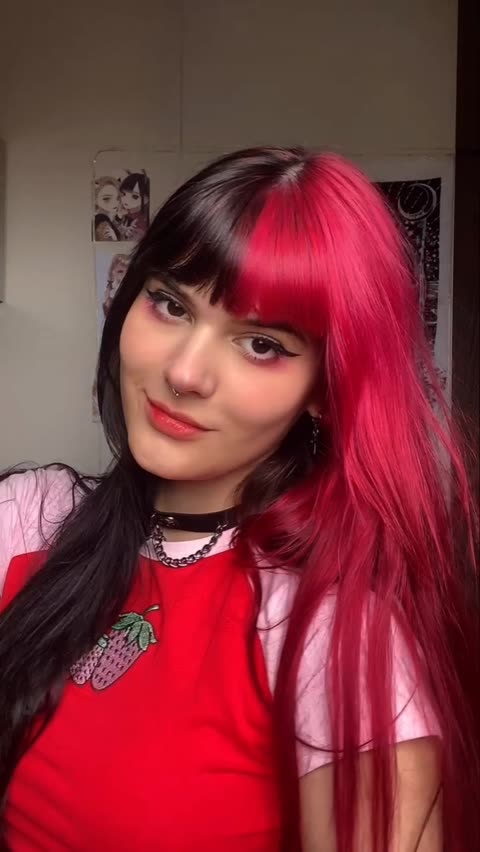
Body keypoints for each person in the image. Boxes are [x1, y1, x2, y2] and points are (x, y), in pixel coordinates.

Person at [0, 147, 477, 852]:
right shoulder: (30, 519)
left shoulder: (331, 635)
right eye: (169, 304)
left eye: (260, 344)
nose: (185, 373)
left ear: (324, 389)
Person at [117, 171, 150, 241]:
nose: (126, 200)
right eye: (124, 194)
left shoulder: (143, 219)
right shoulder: (125, 212)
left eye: (135, 196)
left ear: (147, 199)